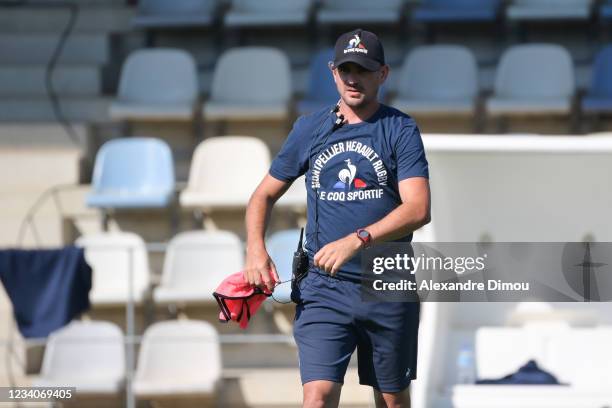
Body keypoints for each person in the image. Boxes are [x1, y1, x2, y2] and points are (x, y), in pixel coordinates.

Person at [244, 28, 431, 408]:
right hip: (323, 287)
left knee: (393, 400)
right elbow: (262, 195)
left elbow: (418, 209)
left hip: (386, 283)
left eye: (362, 69)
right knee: (318, 396)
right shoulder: (310, 128)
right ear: (333, 72)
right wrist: (255, 250)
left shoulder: (401, 129)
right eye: (345, 69)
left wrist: (357, 239)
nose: (352, 78)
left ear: (383, 74)